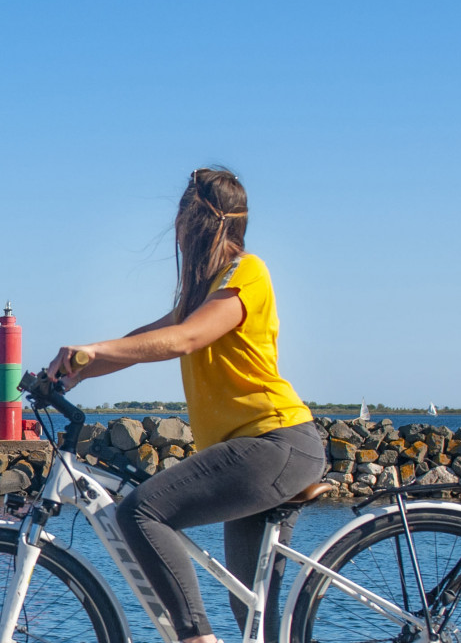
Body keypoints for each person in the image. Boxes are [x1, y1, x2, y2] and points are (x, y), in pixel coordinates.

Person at [45, 167, 325, 643]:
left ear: (202, 222)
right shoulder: (205, 290)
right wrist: (79, 368)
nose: (175, 229)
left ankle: (196, 638)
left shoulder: (247, 272)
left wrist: (90, 353)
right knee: (254, 620)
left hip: (274, 442)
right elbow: (147, 339)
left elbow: (185, 338)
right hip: (253, 454)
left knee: (140, 512)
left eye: (181, 216)